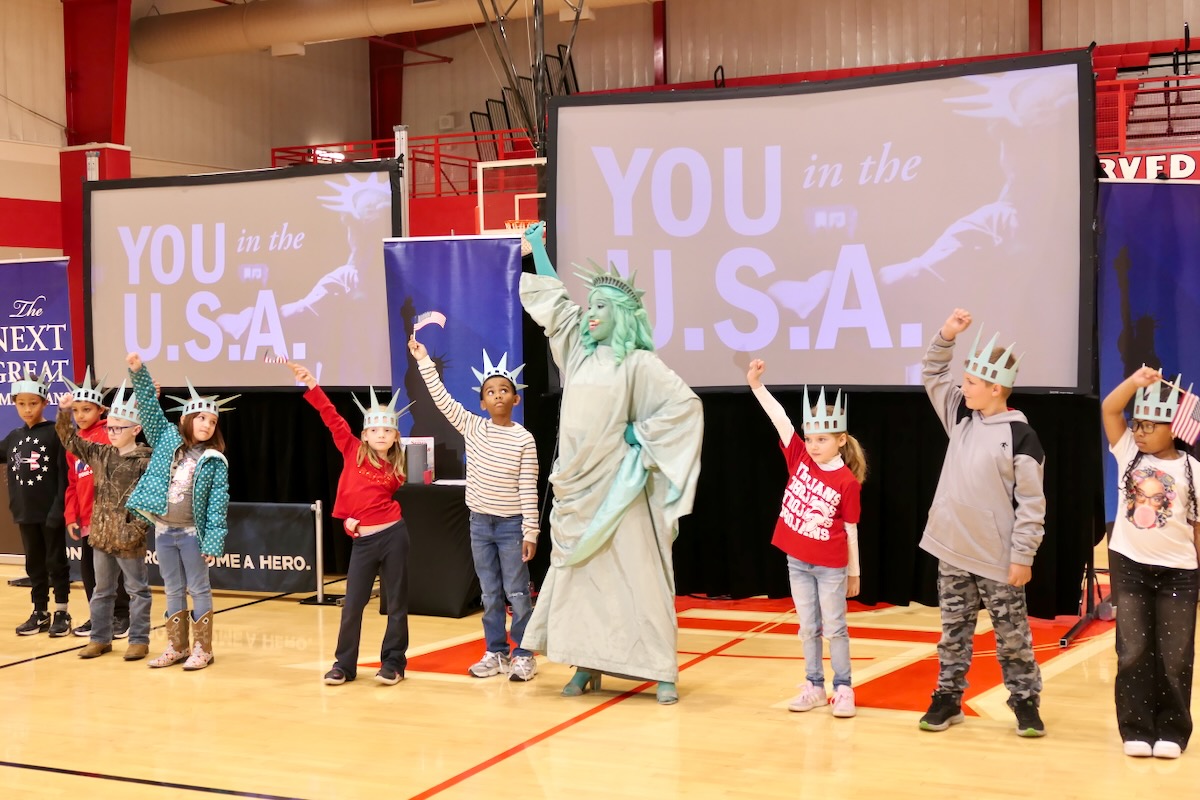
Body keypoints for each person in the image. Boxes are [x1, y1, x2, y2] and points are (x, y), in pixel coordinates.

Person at [519, 221, 704, 705]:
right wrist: (537, 249)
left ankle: (660, 669)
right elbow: (557, 307)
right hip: (578, 491)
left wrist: (640, 435)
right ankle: (587, 663)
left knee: (639, 579)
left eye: (601, 306)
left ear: (622, 315)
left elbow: (686, 407)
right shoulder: (578, 356)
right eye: (591, 306)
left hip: (621, 489)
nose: (591, 314)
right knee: (585, 583)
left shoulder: (640, 364)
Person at [917, 308, 1046, 737]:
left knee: (1012, 636)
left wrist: (1022, 556)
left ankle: (1025, 702)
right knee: (953, 631)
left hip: (997, 558)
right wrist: (946, 335)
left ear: (995, 388)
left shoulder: (1022, 437)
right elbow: (933, 373)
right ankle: (947, 698)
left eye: (971, 382)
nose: (963, 387)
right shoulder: (961, 417)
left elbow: (1032, 504)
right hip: (952, 549)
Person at [408, 336, 541, 681]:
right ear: (482, 402)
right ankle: (496, 652)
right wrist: (424, 361)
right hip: (480, 524)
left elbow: (528, 487)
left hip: (512, 527)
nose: (497, 395)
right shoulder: (473, 426)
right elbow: (442, 399)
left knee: (517, 592)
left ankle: (523, 654)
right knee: (490, 592)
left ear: (516, 398)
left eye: (504, 390)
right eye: (490, 392)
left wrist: (531, 531)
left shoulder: (524, 439)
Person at [746, 359, 866, 718]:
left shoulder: (847, 482)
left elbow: (851, 529)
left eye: (822, 440)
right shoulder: (799, 456)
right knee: (807, 627)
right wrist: (756, 385)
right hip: (797, 561)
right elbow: (780, 419)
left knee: (835, 628)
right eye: (810, 439)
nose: (813, 446)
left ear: (840, 440)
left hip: (831, 567)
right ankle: (814, 686)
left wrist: (854, 573)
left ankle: (843, 688)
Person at [291, 362, 412, 687]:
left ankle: (393, 664)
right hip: (364, 543)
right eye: (375, 430)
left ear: (395, 436)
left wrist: (352, 520)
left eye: (387, 430)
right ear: (364, 435)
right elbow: (331, 416)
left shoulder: (397, 468)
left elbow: (376, 502)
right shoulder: (352, 450)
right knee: (353, 605)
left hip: (394, 536)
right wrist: (312, 385)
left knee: (396, 604)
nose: (381, 435)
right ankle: (344, 665)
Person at [1101, 367, 1200, 759]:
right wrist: (1134, 383)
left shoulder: (1193, 470)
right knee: (1133, 650)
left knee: (1176, 655)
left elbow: (1197, 527)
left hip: (1179, 573)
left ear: (1173, 429)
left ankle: (1173, 731)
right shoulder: (1128, 453)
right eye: (1137, 424)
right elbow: (1110, 409)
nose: (1139, 432)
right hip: (1130, 567)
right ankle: (1136, 729)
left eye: (1149, 426)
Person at [125, 353, 232, 670]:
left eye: (212, 422)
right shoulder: (166, 438)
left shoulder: (214, 460)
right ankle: (177, 646)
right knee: (172, 588)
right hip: (164, 531)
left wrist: (212, 542)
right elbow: (149, 408)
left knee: (198, 587)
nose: (207, 425)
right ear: (186, 419)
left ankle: (203, 649)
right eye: (202, 418)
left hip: (191, 534)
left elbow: (218, 504)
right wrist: (139, 373)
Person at [56, 381, 153, 661]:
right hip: (100, 535)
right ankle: (100, 638)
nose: (112, 433)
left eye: (118, 428)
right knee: (102, 590)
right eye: (109, 428)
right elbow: (69, 439)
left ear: (135, 429)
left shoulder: (144, 461)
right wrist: (63, 412)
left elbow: (152, 500)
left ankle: (139, 639)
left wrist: (136, 528)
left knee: (137, 590)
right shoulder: (100, 453)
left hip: (129, 538)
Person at [62, 368, 130, 639]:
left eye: (86, 410)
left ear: (101, 410)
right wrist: (71, 516)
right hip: (87, 519)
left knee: (115, 570)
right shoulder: (74, 442)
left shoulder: (109, 434)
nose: (80, 416)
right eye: (75, 410)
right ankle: (99, 615)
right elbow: (72, 482)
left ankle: (121, 615)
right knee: (89, 570)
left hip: (110, 517)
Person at [5, 370, 71, 637]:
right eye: (21, 403)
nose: (27, 409)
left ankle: (62, 611)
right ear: (14, 403)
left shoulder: (55, 433)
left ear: (45, 402)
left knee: (56, 561)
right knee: (34, 564)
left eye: (33, 403)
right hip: (25, 512)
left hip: (50, 512)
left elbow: (64, 474)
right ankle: (40, 611)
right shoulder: (13, 436)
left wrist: (59, 508)